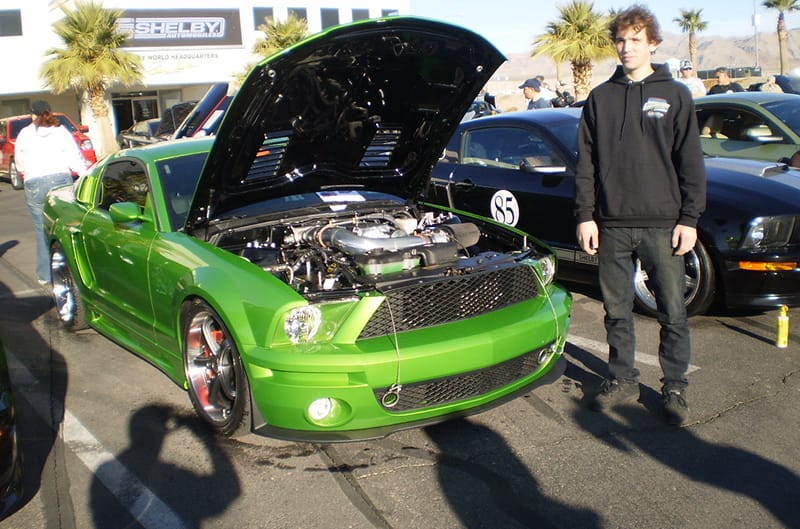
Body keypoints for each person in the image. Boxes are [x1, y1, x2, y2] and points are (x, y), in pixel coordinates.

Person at [574, 6, 707, 425]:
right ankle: (622, 380)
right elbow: (586, 163)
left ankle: (675, 389)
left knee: (672, 310)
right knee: (616, 310)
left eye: (635, 39)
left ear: (653, 43)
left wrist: (689, 218)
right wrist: (585, 215)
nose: (626, 47)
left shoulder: (675, 95)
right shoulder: (600, 98)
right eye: (620, 39)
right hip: (611, 224)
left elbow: (691, 162)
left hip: (663, 224)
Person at [14, 100, 87, 285]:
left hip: (34, 183)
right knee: (66, 227)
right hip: (60, 180)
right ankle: (70, 271)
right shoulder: (60, 132)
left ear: (33, 115)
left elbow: (20, 163)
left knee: (41, 229)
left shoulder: (24, 134)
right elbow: (74, 158)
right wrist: (84, 174)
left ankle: (45, 275)